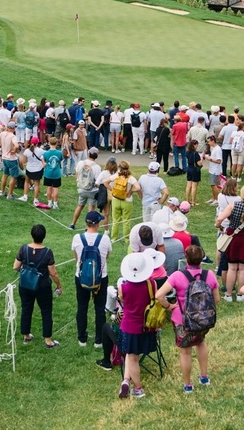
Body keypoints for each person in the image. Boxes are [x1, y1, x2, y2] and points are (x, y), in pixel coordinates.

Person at [155, 244, 219, 393]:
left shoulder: (178, 276)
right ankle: (204, 377)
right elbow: (216, 299)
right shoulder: (209, 275)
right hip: (204, 319)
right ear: (202, 258)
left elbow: (159, 295)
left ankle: (188, 385)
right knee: (201, 343)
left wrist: (169, 306)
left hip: (182, 319)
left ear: (186, 258)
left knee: (185, 351)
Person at [117, 252, 160, 399]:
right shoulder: (152, 284)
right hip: (147, 327)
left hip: (129, 327)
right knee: (133, 356)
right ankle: (127, 382)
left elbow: (122, 300)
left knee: (132, 357)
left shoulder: (124, 287)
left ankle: (137, 388)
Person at [14, 224, 62, 348]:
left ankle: (26, 336)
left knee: (26, 308)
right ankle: (48, 340)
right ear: (44, 236)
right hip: (43, 286)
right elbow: (53, 273)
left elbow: (15, 266)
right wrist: (58, 285)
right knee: (46, 311)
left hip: (25, 285)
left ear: (31, 235)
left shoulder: (24, 249)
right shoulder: (47, 252)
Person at [73, 211, 112, 347]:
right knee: (100, 308)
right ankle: (99, 340)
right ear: (98, 224)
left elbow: (76, 257)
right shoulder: (105, 239)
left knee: (82, 307)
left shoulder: (77, 238)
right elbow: (106, 256)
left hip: (81, 277)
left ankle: (82, 339)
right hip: (101, 277)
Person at [216, 184, 244, 302]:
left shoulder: (232, 206)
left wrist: (219, 227)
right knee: (243, 269)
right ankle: (241, 294)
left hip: (233, 238)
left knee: (232, 268)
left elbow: (220, 218)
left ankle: (229, 294)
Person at [70, 147, 102, 228]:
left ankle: (72, 224)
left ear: (88, 153)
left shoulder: (81, 163)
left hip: (81, 189)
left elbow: (77, 175)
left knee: (80, 206)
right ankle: (89, 227)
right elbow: (98, 182)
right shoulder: (97, 167)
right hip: (92, 190)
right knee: (91, 209)